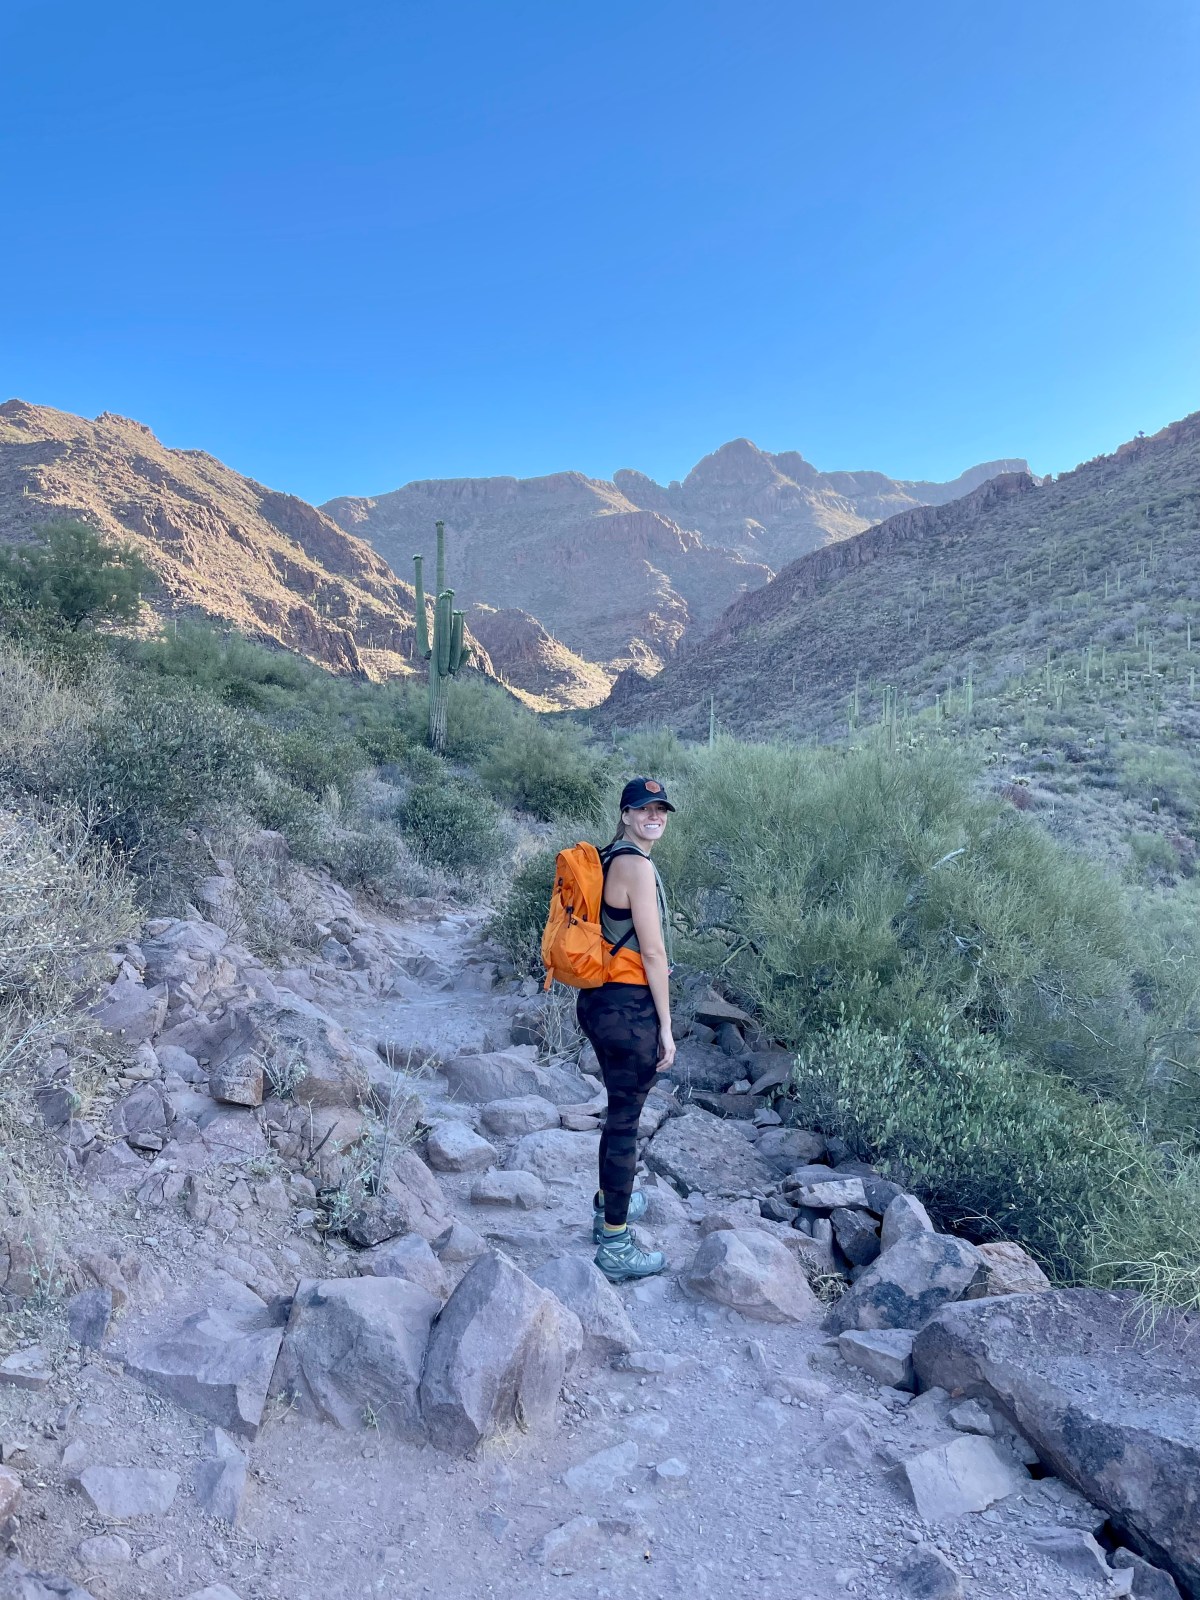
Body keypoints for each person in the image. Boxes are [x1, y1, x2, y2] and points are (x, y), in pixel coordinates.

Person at [577, 776, 677, 1283]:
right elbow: (654, 954)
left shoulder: (609, 855)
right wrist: (666, 1024)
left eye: (660, 809)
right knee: (624, 1125)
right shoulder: (635, 866)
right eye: (643, 809)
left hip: (597, 1001)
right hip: (627, 1008)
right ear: (625, 814)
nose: (653, 816)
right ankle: (615, 1242)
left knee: (618, 1113)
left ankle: (606, 1204)